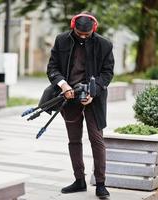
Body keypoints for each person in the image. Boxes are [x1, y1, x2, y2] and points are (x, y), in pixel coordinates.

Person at [46, 12, 114, 199]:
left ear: (94, 29)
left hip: (95, 98)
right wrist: (63, 85)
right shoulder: (61, 40)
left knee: (96, 140)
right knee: (74, 140)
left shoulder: (105, 44)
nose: (83, 37)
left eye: (87, 34)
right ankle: (79, 181)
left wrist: (94, 91)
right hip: (69, 97)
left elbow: (107, 73)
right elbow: (52, 68)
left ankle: (101, 184)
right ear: (73, 26)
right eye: (79, 33)